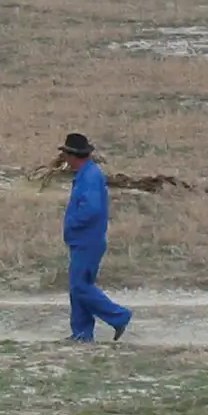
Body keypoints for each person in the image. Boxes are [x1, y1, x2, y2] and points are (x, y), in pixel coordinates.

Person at [56, 132, 132, 343]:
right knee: (78, 287)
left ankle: (119, 316)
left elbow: (91, 209)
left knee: (80, 287)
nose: (64, 159)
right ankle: (82, 334)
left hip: (87, 240)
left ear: (73, 156)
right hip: (83, 240)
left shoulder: (89, 177)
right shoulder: (87, 174)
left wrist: (72, 223)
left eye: (66, 154)